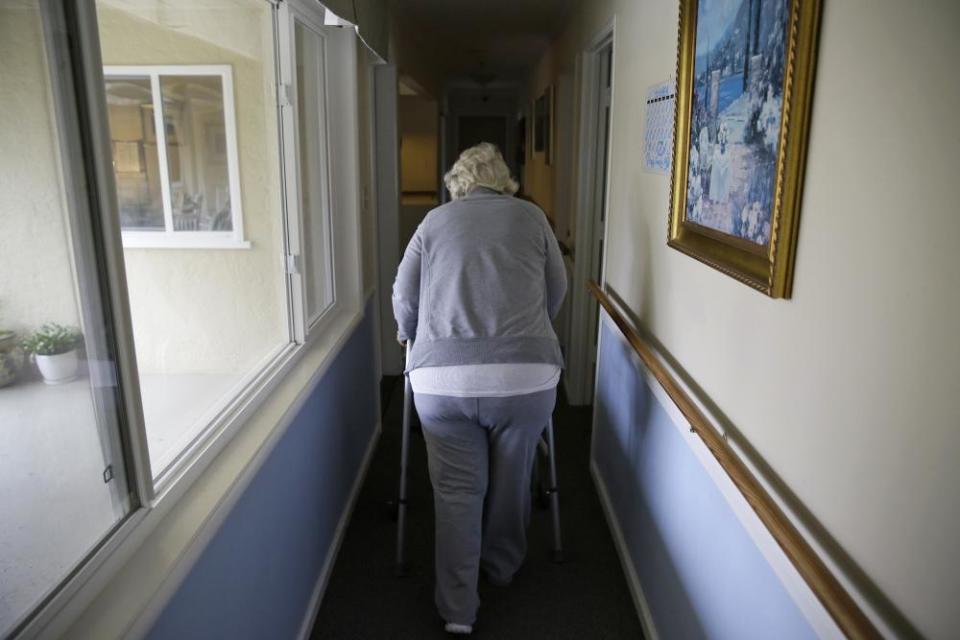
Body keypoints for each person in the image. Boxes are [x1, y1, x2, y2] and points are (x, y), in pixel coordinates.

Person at [392, 142, 567, 635]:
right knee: (513, 479)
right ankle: (502, 567)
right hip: (525, 377)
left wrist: (409, 331)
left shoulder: (433, 223)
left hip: (440, 378)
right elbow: (557, 288)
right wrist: (529, 330)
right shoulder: (532, 218)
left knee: (455, 492)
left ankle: (458, 611)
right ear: (504, 181)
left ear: (458, 185)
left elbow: (404, 295)